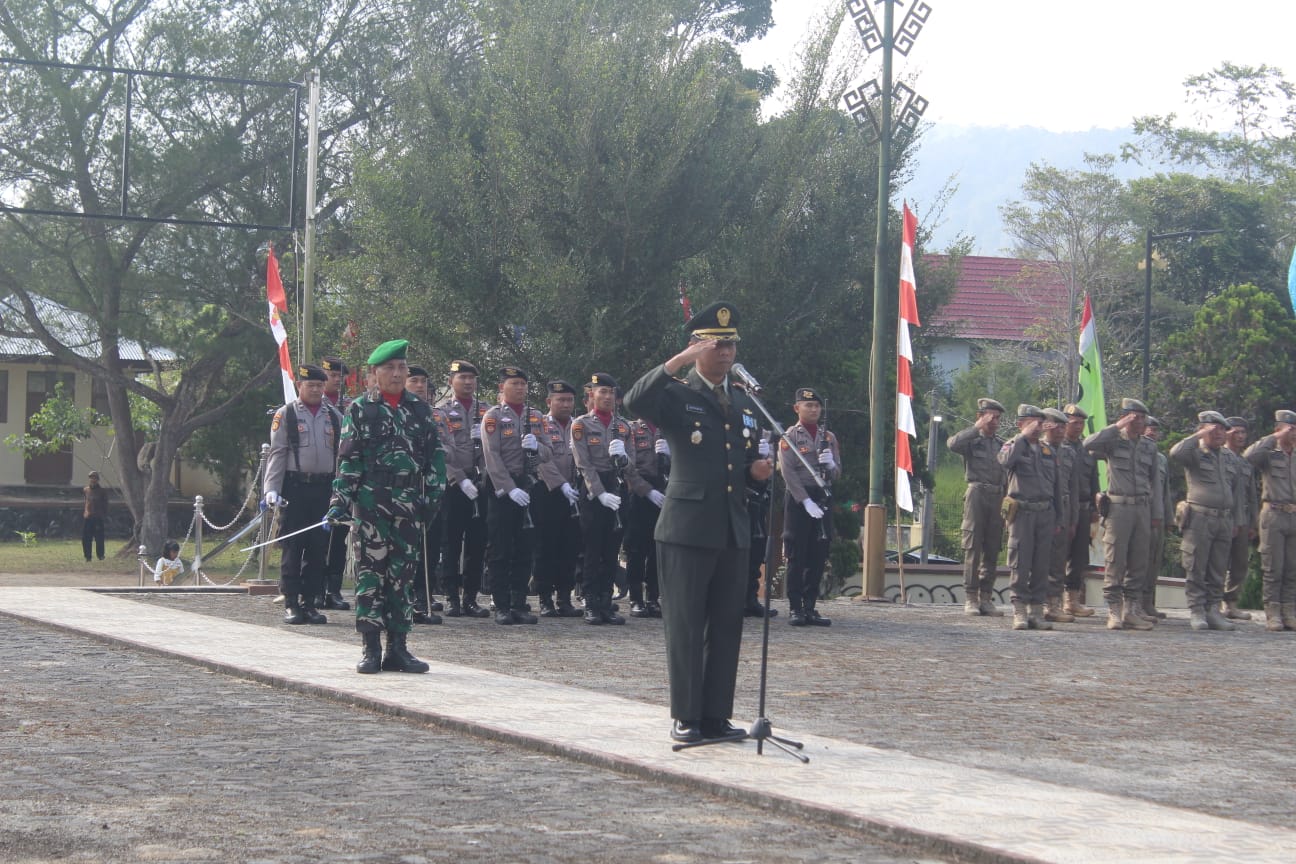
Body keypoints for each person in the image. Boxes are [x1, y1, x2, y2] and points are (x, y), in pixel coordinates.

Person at [623, 300, 774, 744]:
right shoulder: (676, 395)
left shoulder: (746, 402)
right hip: (686, 527)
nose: (725, 353)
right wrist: (678, 363)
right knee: (687, 624)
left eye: (730, 345)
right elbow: (635, 400)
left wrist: (757, 473)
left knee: (727, 624)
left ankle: (715, 716)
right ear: (695, 347)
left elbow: (740, 464)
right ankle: (686, 715)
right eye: (715, 345)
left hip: (731, 526)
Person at [327, 340, 444, 673]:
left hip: (408, 505)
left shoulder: (420, 411)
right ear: (374, 374)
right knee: (370, 577)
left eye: (401, 368)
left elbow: (435, 457)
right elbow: (348, 460)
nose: (396, 374)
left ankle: (399, 648)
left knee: (402, 577)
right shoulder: (361, 409)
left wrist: (433, 498)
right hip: (371, 505)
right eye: (388, 368)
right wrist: (341, 501)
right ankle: (370, 648)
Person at [264, 364, 343, 626]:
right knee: (293, 548)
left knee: (318, 549)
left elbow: (341, 455)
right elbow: (278, 453)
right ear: (300, 385)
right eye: (311, 385)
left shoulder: (333, 416)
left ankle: (311, 603)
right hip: (295, 487)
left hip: (323, 488)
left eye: (320, 386)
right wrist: (271, 489)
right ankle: (291, 603)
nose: (316, 390)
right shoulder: (286, 414)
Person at [481, 366, 551, 625]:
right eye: (514, 383)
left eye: (523, 383)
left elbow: (549, 452)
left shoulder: (535, 416)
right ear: (502, 387)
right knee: (501, 548)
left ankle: (519, 602)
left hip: (529, 485)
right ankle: (501, 604)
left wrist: (537, 447)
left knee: (525, 547)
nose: (520, 388)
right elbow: (492, 457)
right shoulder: (494, 417)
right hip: (502, 490)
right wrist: (510, 489)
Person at [1084, 398, 1160, 631]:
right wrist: (1117, 426)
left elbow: (1154, 481)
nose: (1139, 422)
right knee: (1115, 558)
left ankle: (1131, 609)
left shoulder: (1149, 446)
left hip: (1142, 508)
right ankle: (1114, 610)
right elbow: (1088, 443)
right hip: (1119, 507)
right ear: (1126, 417)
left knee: (1139, 560)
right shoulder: (1113, 441)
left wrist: (1155, 513)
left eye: (1142, 418)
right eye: (1134, 417)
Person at [1169, 411, 1247, 632]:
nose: (1220, 433)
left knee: (1218, 568)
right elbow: (1176, 452)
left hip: (1223, 518)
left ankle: (1213, 609)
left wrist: (1237, 521)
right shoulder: (1194, 453)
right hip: (1199, 518)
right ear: (1203, 430)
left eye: (1223, 429)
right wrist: (1201, 435)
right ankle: (1197, 610)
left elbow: (1237, 492)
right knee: (1196, 566)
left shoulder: (1229, 457)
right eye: (1216, 429)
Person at [571, 373, 636, 625]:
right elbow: (583, 464)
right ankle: (590, 601)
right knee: (592, 548)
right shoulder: (582, 425)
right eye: (602, 392)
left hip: (617, 487)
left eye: (611, 393)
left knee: (611, 548)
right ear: (592, 396)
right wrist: (599, 493)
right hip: (592, 490)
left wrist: (625, 459)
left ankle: (606, 600)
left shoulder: (624, 426)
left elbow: (632, 467)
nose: (608, 397)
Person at [779, 387, 841, 627]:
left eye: (816, 406)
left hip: (822, 495)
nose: (813, 409)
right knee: (797, 552)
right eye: (808, 406)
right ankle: (795, 607)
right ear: (797, 408)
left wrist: (831, 464)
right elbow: (788, 472)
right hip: (799, 498)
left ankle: (810, 606)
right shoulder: (790, 437)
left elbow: (837, 473)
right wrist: (804, 500)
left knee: (818, 552)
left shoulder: (829, 437)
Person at [435, 360, 492, 618]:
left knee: (477, 542)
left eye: (471, 378)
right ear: (451, 381)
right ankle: (450, 596)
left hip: (480, 482)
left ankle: (470, 596)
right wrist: (459, 478)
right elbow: (442, 451)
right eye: (462, 378)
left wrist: (482, 476)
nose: (468, 382)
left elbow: (493, 450)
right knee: (451, 541)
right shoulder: (442, 412)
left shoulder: (486, 412)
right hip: (454, 484)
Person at [998, 405, 1061, 631]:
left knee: (1041, 564)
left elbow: (1057, 487)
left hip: (1045, 513)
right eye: (1032, 422)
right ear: (1021, 423)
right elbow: (1004, 461)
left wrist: (1058, 519)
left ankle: (1036, 610)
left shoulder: (1048, 451)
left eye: (1039, 422)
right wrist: (1023, 438)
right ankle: (1019, 610)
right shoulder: (1013, 446)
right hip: (1022, 513)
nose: (1037, 426)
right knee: (1020, 563)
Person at [946, 398, 1007, 616]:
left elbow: (1006, 475)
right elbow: (952, 444)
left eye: (997, 418)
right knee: (973, 546)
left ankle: (986, 597)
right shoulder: (972, 441)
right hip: (976, 494)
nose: (994, 422)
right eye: (990, 417)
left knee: (992, 548)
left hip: (997, 496)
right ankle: (971, 597)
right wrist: (976, 428)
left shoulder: (1001, 445)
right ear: (980, 416)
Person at [533, 380, 585, 617]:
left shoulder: (578, 425)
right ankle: (545, 598)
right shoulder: (540, 425)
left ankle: (565, 597)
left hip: (575, 493)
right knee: (546, 546)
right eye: (560, 400)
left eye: (569, 400)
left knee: (570, 547)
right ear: (549, 402)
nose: (566, 404)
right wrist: (561, 484)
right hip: (549, 491)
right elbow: (542, 461)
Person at [1242, 410, 1296, 631]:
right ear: (1279, 429)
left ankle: (1289, 609)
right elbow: (1248, 456)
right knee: (1273, 566)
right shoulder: (1269, 454)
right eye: (1290, 429)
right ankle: (1272, 611)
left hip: (1294, 515)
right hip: (1273, 513)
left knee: (1292, 567)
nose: (1293, 434)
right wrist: (1275, 437)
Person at [404, 364, 443, 623]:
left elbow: (438, 452)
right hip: (398, 491)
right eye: (414, 380)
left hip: (427, 488)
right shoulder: (394, 411)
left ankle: (423, 598)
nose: (420, 386)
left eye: (423, 381)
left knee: (429, 546)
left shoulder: (431, 414)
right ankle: (404, 600)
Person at [623, 412, 667, 617]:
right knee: (636, 548)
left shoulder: (671, 428)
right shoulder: (630, 429)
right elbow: (627, 467)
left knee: (659, 548)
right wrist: (646, 490)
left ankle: (653, 597)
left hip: (666, 490)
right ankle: (636, 598)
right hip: (639, 492)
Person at [319, 356, 353, 611]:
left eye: (341, 376)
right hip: (320, 479)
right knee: (317, 538)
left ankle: (334, 589)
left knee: (338, 538)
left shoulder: (350, 407)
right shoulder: (314, 405)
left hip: (343, 479)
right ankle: (315, 587)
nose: (338, 380)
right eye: (333, 375)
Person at [1060, 404, 1099, 617]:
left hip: (1084, 507)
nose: (1078, 427)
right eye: (1074, 423)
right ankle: (1053, 600)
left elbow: (1094, 479)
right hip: (1064, 507)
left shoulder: (1086, 449)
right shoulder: (1057, 447)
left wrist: (1095, 505)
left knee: (1079, 556)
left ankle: (1072, 600)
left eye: (1081, 423)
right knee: (1058, 554)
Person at [1042, 408, 1077, 623]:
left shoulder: (1068, 453)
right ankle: (1033, 603)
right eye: (1057, 426)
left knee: (1057, 561)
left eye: (1064, 426)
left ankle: (1053, 604)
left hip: (1061, 509)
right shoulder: (1034, 448)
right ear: (1046, 426)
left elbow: (1072, 489)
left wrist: (1071, 520)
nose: (1061, 430)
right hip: (1037, 507)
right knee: (1034, 560)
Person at [1222, 416, 1257, 621]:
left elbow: (1251, 495)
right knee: (1217, 562)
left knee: (1240, 564)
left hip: (1243, 519)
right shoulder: (1220, 457)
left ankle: (1231, 603)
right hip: (1224, 517)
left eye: (1243, 433)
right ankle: (1213, 602)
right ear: (1227, 433)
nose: (1241, 436)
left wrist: (1252, 522)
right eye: (1236, 432)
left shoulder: (1246, 463)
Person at [1141, 416, 1170, 621]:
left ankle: (1148, 602)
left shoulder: (1161, 459)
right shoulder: (1131, 452)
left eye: (1154, 430)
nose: (1151, 432)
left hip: (1156, 516)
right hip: (1137, 515)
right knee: (1137, 561)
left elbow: (1164, 491)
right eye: (1148, 428)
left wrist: (1167, 518)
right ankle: (1133, 604)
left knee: (1153, 562)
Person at [82, 470, 108, 562]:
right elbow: (85, 501)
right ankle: (87, 556)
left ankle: (100, 555)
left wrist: (103, 515)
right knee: (86, 538)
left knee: (99, 538)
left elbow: (105, 504)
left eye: (95, 478)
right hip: (88, 517)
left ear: (97, 480)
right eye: (91, 478)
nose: (93, 480)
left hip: (98, 517)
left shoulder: (102, 491)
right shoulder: (86, 490)